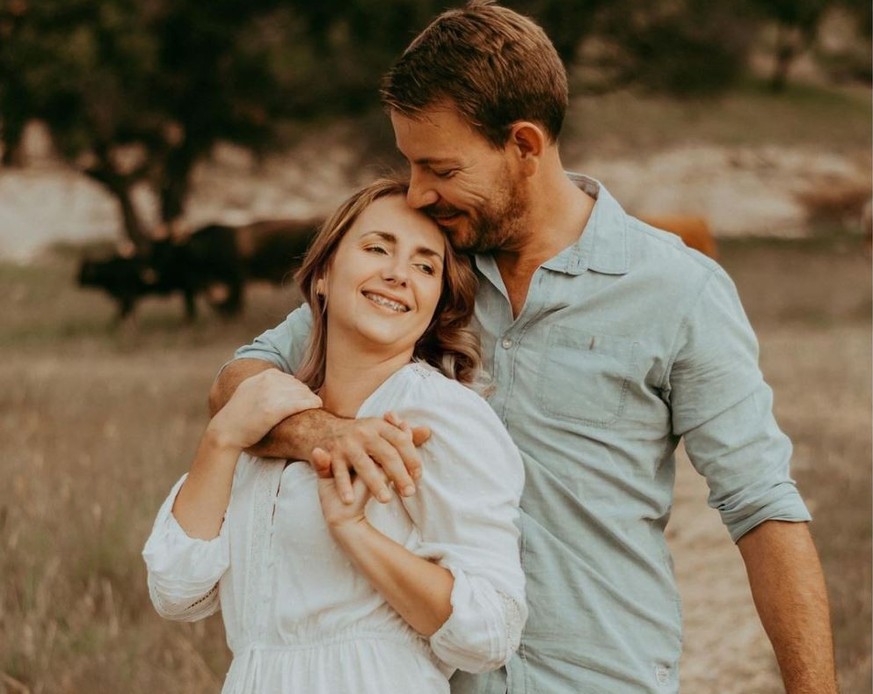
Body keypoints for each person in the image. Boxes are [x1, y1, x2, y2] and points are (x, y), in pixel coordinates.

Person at [210, 2, 839, 692]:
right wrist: (323, 433)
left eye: (440, 169)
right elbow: (238, 383)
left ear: (525, 147)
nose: (418, 194)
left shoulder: (678, 290)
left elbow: (762, 509)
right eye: (409, 166)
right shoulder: (416, 274)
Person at [143, 177, 528, 693]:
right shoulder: (274, 416)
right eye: (377, 248)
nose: (397, 275)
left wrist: (356, 533)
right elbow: (176, 592)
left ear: (437, 301)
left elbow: (491, 630)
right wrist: (222, 438)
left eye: (424, 266)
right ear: (323, 273)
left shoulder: (442, 416)